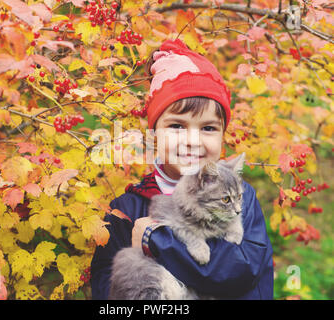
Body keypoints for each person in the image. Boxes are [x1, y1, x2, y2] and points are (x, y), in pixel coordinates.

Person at [90, 38, 274, 300]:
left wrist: (157, 240)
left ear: (222, 136)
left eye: (208, 128)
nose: (192, 140)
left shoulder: (241, 197)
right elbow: (106, 289)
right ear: (154, 134)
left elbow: (242, 269)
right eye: (177, 126)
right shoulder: (126, 210)